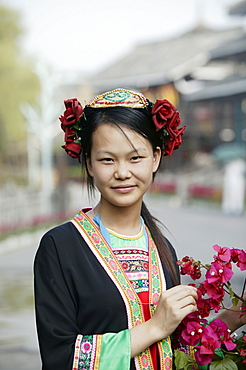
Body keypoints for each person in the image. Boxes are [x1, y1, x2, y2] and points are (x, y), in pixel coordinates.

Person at [34, 88, 245, 370]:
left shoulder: (161, 249)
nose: (122, 172)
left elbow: (174, 354)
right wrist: (155, 327)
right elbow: (59, 357)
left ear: (156, 158)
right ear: (89, 163)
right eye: (107, 159)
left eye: (135, 158)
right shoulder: (60, 247)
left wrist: (231, 317)